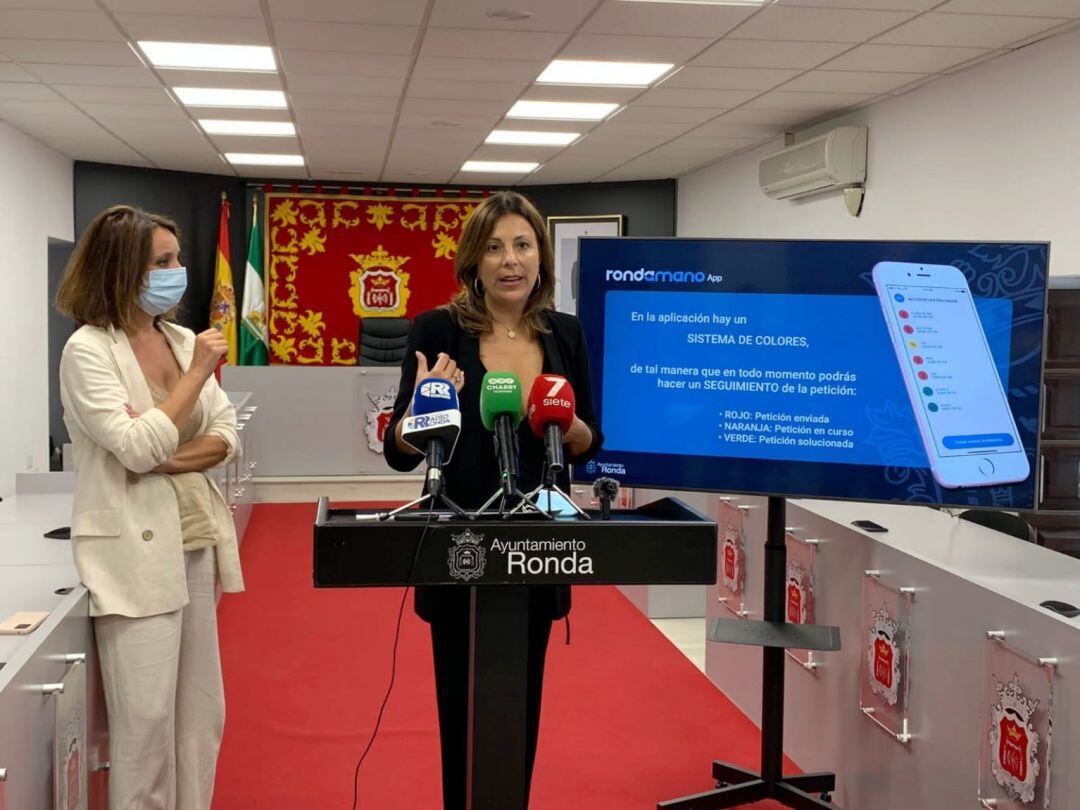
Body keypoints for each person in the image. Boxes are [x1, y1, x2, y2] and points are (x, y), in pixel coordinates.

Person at [383, 190, 604, 809]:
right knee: (462, 707)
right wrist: (425, 407)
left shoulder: (565, 333)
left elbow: (587, 436)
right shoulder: (438, 330)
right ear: (473, 262)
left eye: (524, 245)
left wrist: (567, 423)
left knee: (520, 705)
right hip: (459, 547)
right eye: (495, 247)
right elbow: (400, 451)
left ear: (541, 258)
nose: (511, 260)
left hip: (539, 545)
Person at [55, 205, 245, 810]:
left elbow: (226, 435)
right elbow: (134, 446)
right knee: (145, 732)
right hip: (131, 559)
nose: (178, 272)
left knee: (199, 718)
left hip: (193, 540)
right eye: (162, 263)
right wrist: (193, 378)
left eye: (177, 259)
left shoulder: (182, 337)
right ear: (120, 271)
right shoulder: (88, 351)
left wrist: (163, 452)